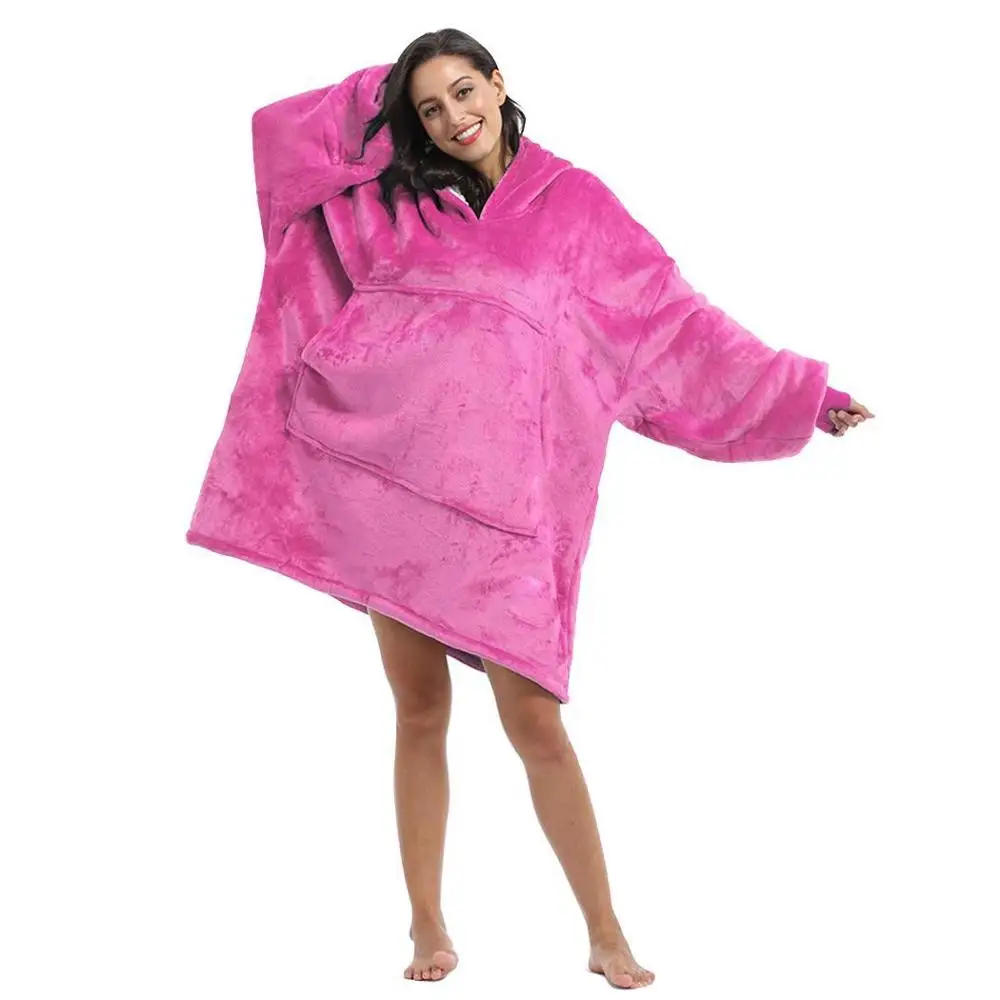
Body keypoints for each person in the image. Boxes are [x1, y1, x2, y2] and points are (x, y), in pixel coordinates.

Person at [186, 28, 875, 989]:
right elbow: (281, 137)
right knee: (418, 709)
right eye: (430, 108)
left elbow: (674, 324)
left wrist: (804, 394)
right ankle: (427, 925)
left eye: (465, 92)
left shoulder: (577, 206)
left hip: (511, 516)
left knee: (536, 724)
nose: (454, 118)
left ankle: (605, 932)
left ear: (499, 82)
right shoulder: (394, 201)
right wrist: (392, 88)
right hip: (396, 491)